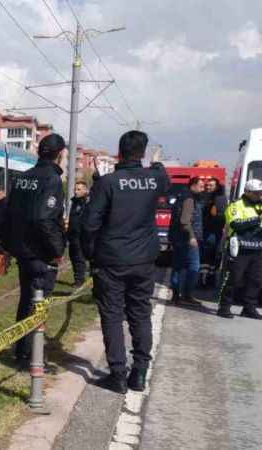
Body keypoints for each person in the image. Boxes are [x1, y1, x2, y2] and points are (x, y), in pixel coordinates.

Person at [82, 130, 170, 394]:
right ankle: (140, 373)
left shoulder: (108, 182)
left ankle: (118, 375)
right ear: (142, 153)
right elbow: (164, 178)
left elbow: (89, 225)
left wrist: (90, 255)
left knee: (111, 316)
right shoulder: (155, 179)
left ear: (119, 152)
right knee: (140, 314)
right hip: (144, 259)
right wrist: (156, 163)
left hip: (112, 260)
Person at [1, 134, 66, 363]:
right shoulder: (52, 180)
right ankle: (30, 354)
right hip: (42, 253)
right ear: (60, 154)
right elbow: (44, 219)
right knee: (38, 304)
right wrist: (57, 249)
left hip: (23, 251)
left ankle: (21, 349)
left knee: (25, 300)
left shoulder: (22, 178)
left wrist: (9, 246)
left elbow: (7, 213)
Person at [216, 179, 262, 320]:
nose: (259, 195)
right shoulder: (236, 205)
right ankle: (224, 307)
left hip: (258, 248)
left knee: (256, 280)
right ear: (247, 192)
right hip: (239, 247)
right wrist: (256, 221)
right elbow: (236, 224)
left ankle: (249, 308)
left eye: (260, 193)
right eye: (256, 193)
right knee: (233, 279)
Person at [168, 177, 205, 307]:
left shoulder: (182, 196)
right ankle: (186, 295)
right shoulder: (189, 199)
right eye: (200, 186)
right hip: (187, 238)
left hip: (178, 237)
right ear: (193, 185)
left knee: (178, 266)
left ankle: (176, 296)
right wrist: (191, 236)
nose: (203, 189)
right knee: (194, 266)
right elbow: (185, 221)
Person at [201, 177, 228, 284]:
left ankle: (206, 279)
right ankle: (206, 278)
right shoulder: (209, 196)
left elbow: (219, 217)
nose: (208, 187)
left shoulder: (218, 198)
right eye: (207, 185)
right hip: (210, 231)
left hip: (212, 232)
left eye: (211, 185)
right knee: (209, 257)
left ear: (216, 187)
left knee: (208, 256)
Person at [68, 181, 90, 287]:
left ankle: (79, 280)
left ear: (85, 190)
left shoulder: (87, 202)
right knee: (73, 257)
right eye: (75, 189)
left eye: (79, 189)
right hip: (72, 234)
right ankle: (77, 278)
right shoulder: (75, 201)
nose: (76, 192)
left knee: (79, 258)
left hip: (81, 235)